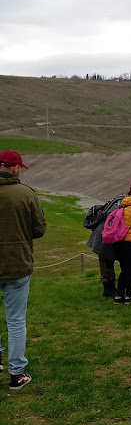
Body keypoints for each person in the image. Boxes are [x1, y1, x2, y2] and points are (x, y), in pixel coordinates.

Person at [0, 150, 47, 390]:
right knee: (16, 321)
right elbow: (38, 230)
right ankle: (16, 374)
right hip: (17, 263)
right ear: (16, 169)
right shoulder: (26, 194)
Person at [86, 193, 123, 297]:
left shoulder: (115, 202)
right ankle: (109, 289)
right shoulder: (121, 206)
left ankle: (109, 287)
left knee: (105, 264)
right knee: (107, 264)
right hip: (106, 238)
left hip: (101, 237)